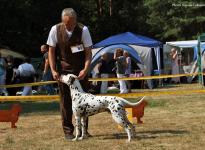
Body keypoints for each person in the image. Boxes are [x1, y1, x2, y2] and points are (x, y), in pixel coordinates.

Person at [47, 8, 93, 140]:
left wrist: (85, 69)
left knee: (85, 101)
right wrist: (53, 70)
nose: (68, 26)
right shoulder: (55, 29)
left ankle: (84, 131)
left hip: (80, 72)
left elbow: (88, 52)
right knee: (65, 101)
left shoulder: (83, 30)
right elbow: (51, 51)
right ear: (62, 20)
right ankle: (68, 131)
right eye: (65, 23)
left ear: (75, 20)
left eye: (71, 24)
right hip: (63, 71)